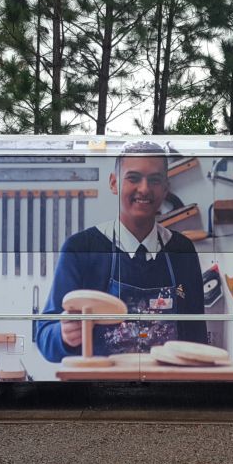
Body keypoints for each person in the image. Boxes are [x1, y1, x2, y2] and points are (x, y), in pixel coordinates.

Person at [34, 141, 206, 362]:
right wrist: (63, 335)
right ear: (114, 183)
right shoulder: (81, 249)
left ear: (165, 188)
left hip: (167, 392)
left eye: (154, 180)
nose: (144, 188)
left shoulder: (182, 251)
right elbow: (45, 336)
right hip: (100, 392)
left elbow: (197, 336)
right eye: (133, 178)